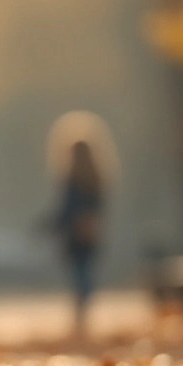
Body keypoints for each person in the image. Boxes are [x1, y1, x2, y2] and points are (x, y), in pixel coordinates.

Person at [54, 140, 105, 337]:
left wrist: (53, 226)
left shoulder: (71, 179)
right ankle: (83, 310)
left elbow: (66, 209)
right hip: (91, 233)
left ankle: (81, 311)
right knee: (85, 270)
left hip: (75, 235)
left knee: (79, 273)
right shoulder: (97, 178)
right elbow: (99, 208)